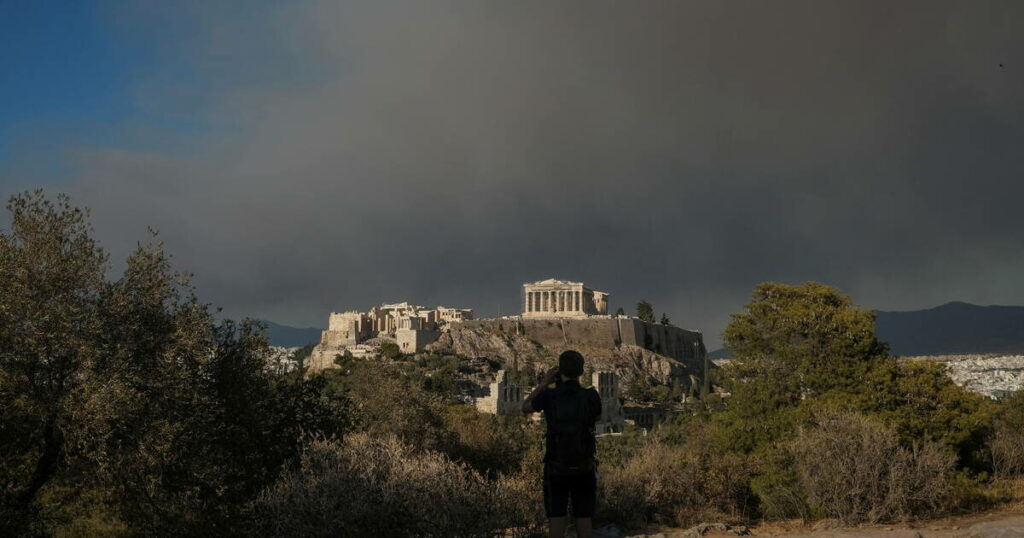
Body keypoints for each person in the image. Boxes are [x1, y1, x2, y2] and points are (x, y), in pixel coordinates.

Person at [522, 350, 602, 538]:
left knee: (557, 516)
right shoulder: (591, 396)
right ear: (581, 371)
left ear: (560, 371)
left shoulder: (550, 395)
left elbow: (526, 407)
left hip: (556, 466)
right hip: (584, 465)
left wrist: (544, 383)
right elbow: (597, 417)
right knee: (584, 517)